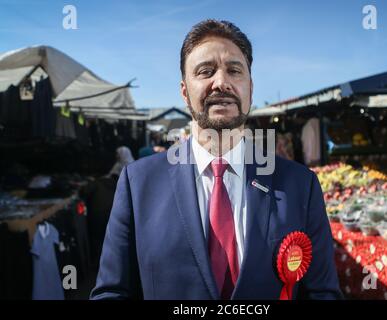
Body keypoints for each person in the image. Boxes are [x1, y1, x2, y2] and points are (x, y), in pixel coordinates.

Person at [91, 19, 342, 300]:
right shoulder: (137, 183)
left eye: (234, 71)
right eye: (206, 71)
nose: (221, 82)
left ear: (250, 87)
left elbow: (323, 293)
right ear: (185, 92)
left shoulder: (301, 185)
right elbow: (112, 292)